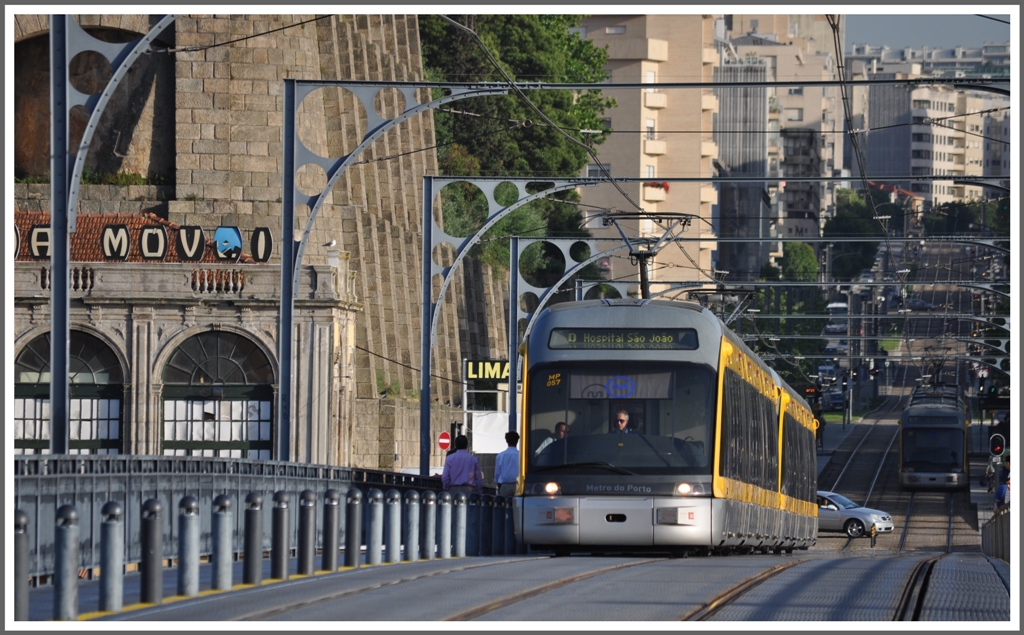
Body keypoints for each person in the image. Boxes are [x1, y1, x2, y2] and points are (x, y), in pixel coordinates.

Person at [494, 431, 520, 498]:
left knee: (504, 506)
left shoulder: (500, 456)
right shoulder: (521, 456)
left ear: (506, 440)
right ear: (517, 441)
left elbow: (497, 473)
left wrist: (498, 484)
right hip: (518, 485)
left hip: (504, 485)